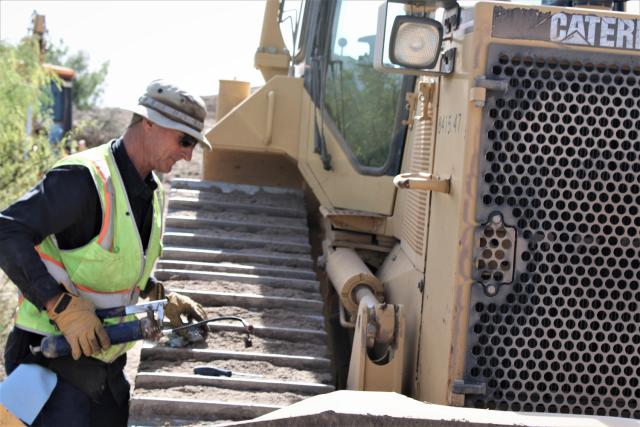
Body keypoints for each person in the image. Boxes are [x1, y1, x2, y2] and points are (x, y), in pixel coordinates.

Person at [0, 80, 212, 426]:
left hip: (105, 371)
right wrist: (60, 306)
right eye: (184, 140)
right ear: (149, 123)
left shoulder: (147, 191)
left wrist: (155, 292)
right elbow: (7, 230)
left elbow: (109, 260)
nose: (188, 153)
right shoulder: (84, 178)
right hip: (52, 367)